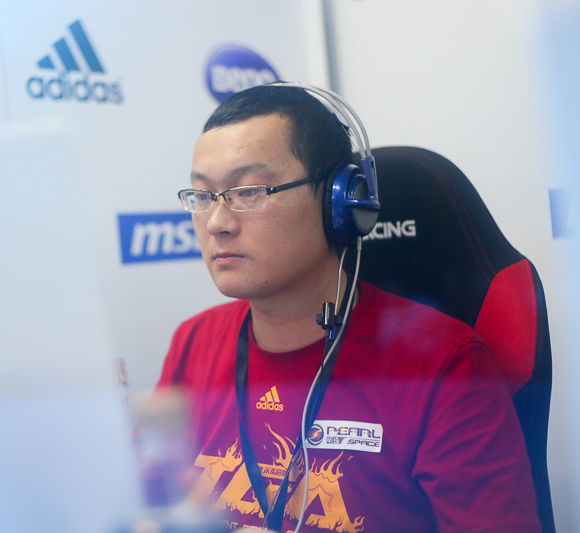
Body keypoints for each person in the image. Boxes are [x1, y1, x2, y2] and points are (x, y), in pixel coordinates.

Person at [153, 85, 541, 532]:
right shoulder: (193, 342)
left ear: (339, 202)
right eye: (203, 196)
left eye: (250, 191)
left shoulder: (444, 366)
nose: (218, 223)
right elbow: (151, 499)